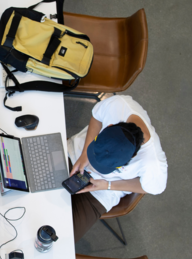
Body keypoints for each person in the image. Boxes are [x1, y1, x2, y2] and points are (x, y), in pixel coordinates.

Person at [67, 95, 168, 243]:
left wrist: (108, 185)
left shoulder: (152, 163)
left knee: (63, 238)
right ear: (109, 127)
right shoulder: (118, 104)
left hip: (100, 192)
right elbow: (96, 117)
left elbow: (152, 188)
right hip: (75, 156)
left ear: (131, 158)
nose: (94, 166)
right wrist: (84, 154)